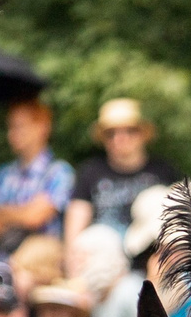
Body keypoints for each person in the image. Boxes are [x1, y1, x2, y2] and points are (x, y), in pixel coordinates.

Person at [64, 98, 178, 244]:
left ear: (142, 134)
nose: (120, 138)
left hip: (152, 254)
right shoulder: (91, 171)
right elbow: (77, 221)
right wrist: (71, 255)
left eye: (130, 131)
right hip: (104, 254)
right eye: (111, 133)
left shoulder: (162, 170)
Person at [0, 99, 74, 259]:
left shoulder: (59, 172)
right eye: (10, 127)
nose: (12, 133)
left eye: (20, 126)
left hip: (39, 270)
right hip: (1, 267)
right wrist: (26, 211)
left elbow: (35, 218)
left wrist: (3, 212)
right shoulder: (3, 173)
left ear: (43, 127)